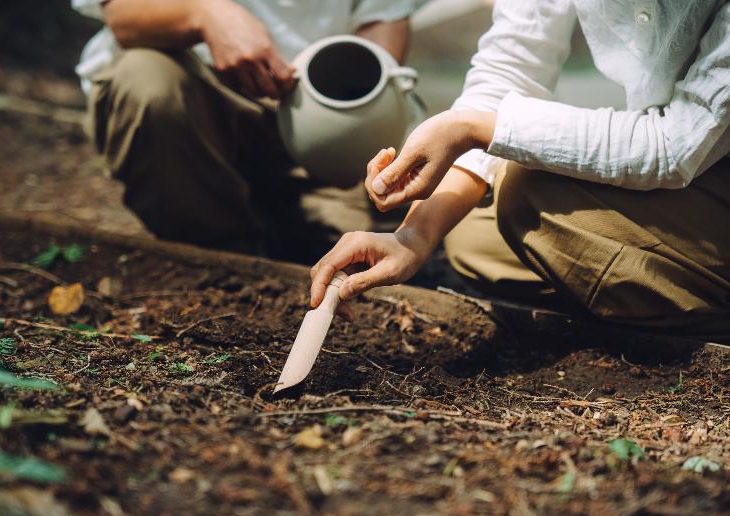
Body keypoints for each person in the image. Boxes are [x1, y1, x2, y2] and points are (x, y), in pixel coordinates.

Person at [310, 0, 730, 342]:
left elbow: (674, 144)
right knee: (472, 233)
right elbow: (511, 66)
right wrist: (414, 234)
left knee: (527, 189)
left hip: (707, 165)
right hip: (690, 180)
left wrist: (471, 130)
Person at [72, 0, 419, 250]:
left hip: (306, 127)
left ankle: (273, 217)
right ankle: (216, 246)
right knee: (144, 81)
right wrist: (205, 14)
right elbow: (122, 14)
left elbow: (383, 21)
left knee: (335, 245)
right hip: (194, 100)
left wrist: (358, 120)